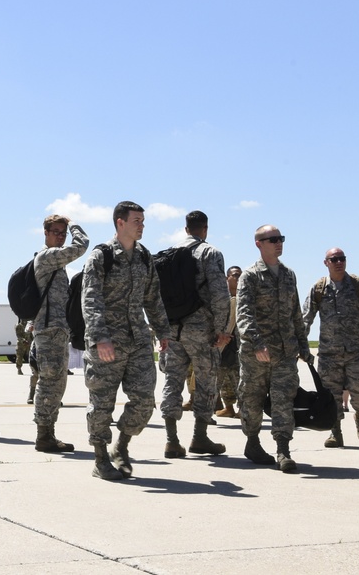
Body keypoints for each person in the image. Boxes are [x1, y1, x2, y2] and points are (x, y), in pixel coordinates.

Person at [82, 201, 170, 480]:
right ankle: (100, 459)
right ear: (120, 222)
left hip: (138, 340)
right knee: (102, 404)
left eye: (143, 221)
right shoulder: (102, 256)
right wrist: (100, 338)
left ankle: (120, 447)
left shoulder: (144, 256)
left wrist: (162, 331)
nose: (142, 225)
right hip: (107, 341)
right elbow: (91, 299)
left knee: (145, 401)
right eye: (137, 221)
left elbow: (153, 297)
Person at [236, 225, 311, 473]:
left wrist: (303, 345)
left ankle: (283, 449)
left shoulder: (289, 275)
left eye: (281, 239)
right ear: (259, 243)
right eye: (273, 239)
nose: (279, 243)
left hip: (285, 352)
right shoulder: (250, 276)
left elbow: (295, 314)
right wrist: (257, 343)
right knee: (252, 399)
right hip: (256, 353)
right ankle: (253, 442)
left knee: (283, 400)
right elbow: (244, 314)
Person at [159, 211, 231, 459]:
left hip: (172, 327)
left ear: (186, 228)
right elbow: (221, 294)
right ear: (205, 229)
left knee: (172, 381)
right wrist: (222, 329)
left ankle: (171, 440)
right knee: (205, 382)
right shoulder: (210, 252)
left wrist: (160, 328)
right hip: (202, 329)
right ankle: (199, 437)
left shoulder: (169, 253)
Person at [302, 248, 359, 447]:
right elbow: (306, 317)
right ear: (326, 263)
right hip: (329, 352)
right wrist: (301, 343)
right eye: (334, 259)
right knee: (331, 395)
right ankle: (336, 432)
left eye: (342, 259)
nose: (338, 262)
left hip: (357, 351)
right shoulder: (319, 288)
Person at [31, 215, 89, 454]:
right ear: (45, 233)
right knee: (50, 382)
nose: (61, 236)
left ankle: (48, 433)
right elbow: (81, 246)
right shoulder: (47, 257)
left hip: (56, 330)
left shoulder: (55, 262)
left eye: (64, 233)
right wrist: (75, 224)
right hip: (50, 330)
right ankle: (44, 435)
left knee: (55, 383)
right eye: (56, 232)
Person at [215, 266, 243, 419]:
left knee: (241, 382)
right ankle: (227, 408)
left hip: (238, 347)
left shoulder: (246, 297)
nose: (238, 278)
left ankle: (242, 410)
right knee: (217, 382)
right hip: (221, 345)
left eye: (240, 275)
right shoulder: (221, 298)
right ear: (227, 278)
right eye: (235, 275)